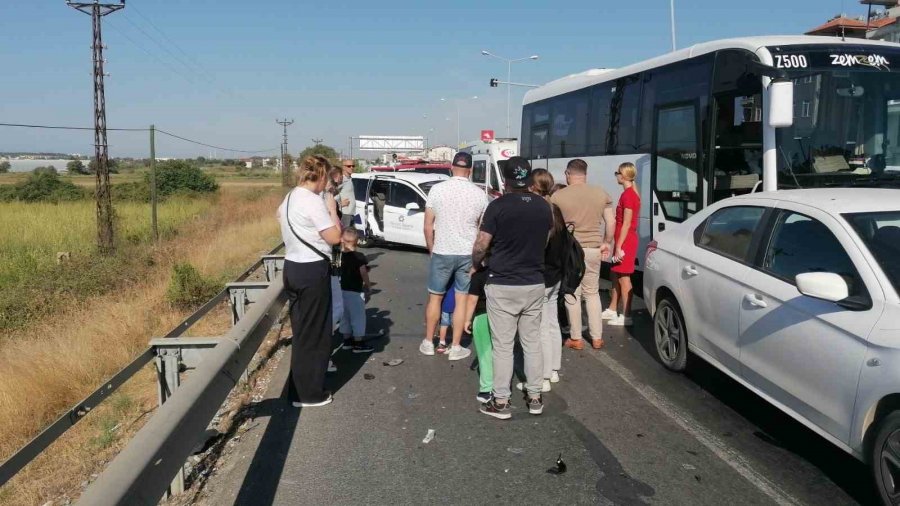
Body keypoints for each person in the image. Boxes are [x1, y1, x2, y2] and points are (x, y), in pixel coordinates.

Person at [474, 156, 552, 420]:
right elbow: (545, 240)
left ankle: (501, 402)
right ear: (529, 179)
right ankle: (535, 396)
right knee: (532, 342)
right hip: (534, 281)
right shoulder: (543, 206)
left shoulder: (497, 206)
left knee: (503, 345)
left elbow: (482, 244)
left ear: (505, 180)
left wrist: (476, 263)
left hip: (503, 282)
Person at [278, 155, 342, 408]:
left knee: (302, 332)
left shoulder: (290, 197)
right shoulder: (313, 201)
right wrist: (332, 208)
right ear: (322, 175)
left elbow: (279, 217)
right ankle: (309, 394)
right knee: (316, 332)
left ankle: (298, 388)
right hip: (312, 269)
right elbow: (334, 237)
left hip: (292, 266)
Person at [420, 151, 488, 361]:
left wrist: (432, 249)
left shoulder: (437, 190)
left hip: (442, 250)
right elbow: (481, 230)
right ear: (470, 170)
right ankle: (456, 346)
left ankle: (428, 342)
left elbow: (428, 226)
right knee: (461, 300)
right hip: (467, 252)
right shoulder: (480, 194)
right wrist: (479, 258)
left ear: (451, 168)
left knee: (435, 297)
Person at [550, 159, 614, 350]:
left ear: (567, 174)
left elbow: (553, 226)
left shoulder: (558, 196)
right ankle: (597, 338)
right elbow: (611, 222)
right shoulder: (601, 193)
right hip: (594, 248)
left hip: (571, 251)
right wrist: (606, 242)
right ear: (585, 174)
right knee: (592, 292)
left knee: (573, 292)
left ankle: (576, 338)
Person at [515, 168, 564, 393]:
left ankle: (542, 377)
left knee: (539, 327)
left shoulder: (536, 211)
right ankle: (553, 370)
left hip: (541, 276)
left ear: (532, 186)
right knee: (552, 323)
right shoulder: (555, 209)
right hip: (556, 274)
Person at [607, 162, 641, 327]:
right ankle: (613, 309)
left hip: (625, 241)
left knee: (624, 277)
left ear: (625, 175)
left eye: (618, 172)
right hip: (623, 239)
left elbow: (626, 223)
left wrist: (619, 246)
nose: (616, 175)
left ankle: (627, 315)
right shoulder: (630, 194)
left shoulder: (628, 195)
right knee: (616, 273)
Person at [338, 228, 376, 352]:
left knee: (345, 316)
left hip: (341, 291)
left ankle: (347, 340)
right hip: (355, 291)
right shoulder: (359, 257)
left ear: (342, 240)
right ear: (357, 241)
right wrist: (368, 285)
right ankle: (358, 342)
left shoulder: (339, 256)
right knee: (358, 317)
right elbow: (363, 272)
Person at [463, 264, 492, 403]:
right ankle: (503, 387)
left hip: (483, 315)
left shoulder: (480, 275)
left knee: (485, 353)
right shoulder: (509, 272)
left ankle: (487, 388)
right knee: (504, 352)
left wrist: (467, 319)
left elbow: (472, 300)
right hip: (505, 316)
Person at [436, 284, 456, 354]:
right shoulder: (457, 282)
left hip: (445, 306)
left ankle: (441, 343)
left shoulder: (444, 282)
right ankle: (455, 343)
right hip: (456, 307)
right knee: (455, 325)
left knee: (443, 325)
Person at [338, 159, 357, 229]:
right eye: (349, 166)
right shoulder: (341, 179)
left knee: (352, 233)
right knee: (345, 234)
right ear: (343, 167)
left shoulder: (350, 179)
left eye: (353, 166)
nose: (351, 168)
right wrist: (339, 204)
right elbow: (330, 193)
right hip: (345, 214)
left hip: (352, 213)